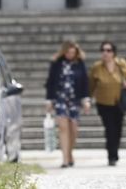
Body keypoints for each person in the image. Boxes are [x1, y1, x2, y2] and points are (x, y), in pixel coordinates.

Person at [45, 40, 91, 168]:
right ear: (64, 51)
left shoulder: (79, 63)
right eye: (68, 52)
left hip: (75, 100)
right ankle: (65, 159)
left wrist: (86, 99)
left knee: (74, 129)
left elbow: (85, 82)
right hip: (60, 99)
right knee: (63, 128)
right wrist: (49, 100)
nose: (71, 54)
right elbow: (50, 82)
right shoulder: (56, 63)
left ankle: (70, 153)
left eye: (73, 52)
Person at [88, 41, 126, 166]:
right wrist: (88, 98)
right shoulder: (97, 67)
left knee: (118, 128)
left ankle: (115, 151)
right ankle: (111, 156)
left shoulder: (121, 64)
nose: (105, 53)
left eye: (108, 50)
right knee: (109, 129)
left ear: (113, 52)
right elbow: (91, 84)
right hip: (103, 103)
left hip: (118, 101)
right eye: (103, 50)